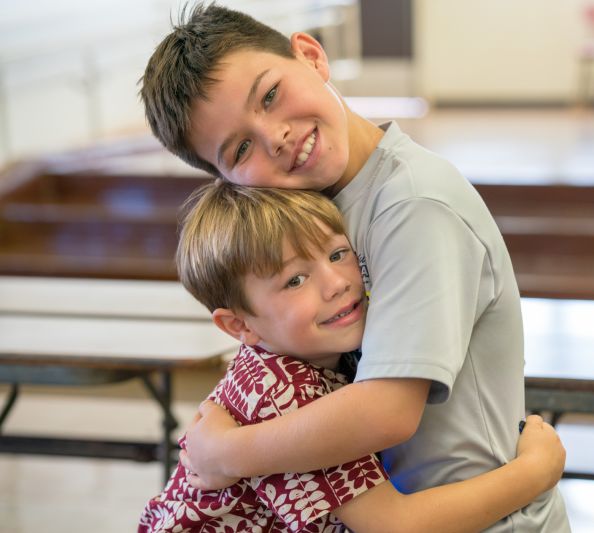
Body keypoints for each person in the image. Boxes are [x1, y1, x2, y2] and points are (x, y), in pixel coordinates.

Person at [140, 4, 570, 531]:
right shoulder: (312, 214)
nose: (275, 135)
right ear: (229, 180)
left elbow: (387, 411)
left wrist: (227, 453)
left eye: (270, 95)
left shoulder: (414, 204)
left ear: (311, 55)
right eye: (242, 147)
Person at [138, 181, 565, 532]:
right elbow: (397, 526)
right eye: (295, 280)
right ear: (240, 326)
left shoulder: (297, 360)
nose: (337, 283)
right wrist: (535, 471)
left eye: (338, 254)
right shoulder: (285, 396)